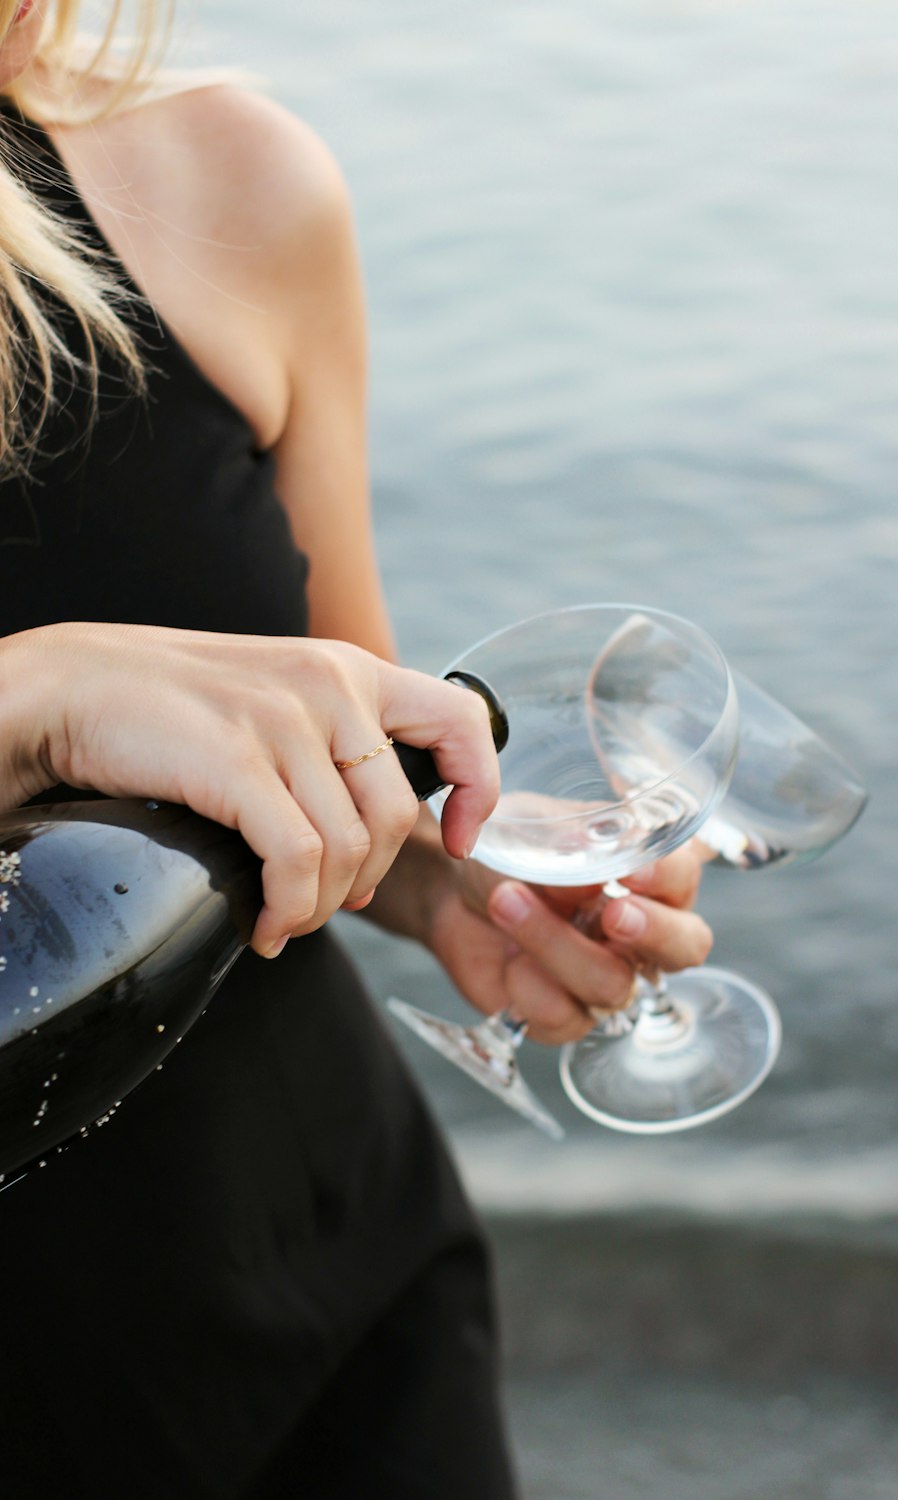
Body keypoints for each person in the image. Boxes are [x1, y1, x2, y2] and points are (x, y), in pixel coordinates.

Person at [0, 3, 714, 1496]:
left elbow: (337, 748)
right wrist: (37, 697)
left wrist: (461, 882)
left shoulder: (224, 183)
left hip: (335, 1304)